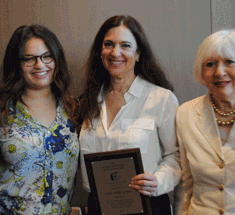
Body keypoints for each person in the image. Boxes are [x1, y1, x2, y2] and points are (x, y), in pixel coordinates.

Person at [79, 15, 181, 214]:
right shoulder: (88, 102)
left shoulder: (161, 99)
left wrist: (158, 181)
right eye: (108, 44)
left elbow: (176, 155)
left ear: (138, 54)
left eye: (125, 45)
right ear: (100, 52)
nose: (115, 52)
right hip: (98, 206)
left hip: (147, 205)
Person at [0, 24, 79, 215]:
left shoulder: (75, 110)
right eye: (29, 59)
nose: (40, 65)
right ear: (17, 64)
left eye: (47, 56)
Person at [173, 29, 235, 214]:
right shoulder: (186, 114)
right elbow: (186, 185)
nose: (219, 72)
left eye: (229, 62)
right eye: (210, 64)